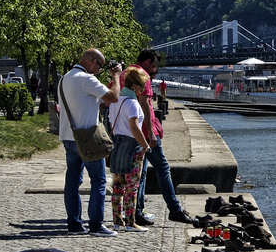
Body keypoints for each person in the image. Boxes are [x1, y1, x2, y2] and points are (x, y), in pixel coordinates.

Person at [125, 49, 192, 226]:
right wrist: (151, 133)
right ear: (147, 62)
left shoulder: (124, 73)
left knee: (141, 173)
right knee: (163, 168)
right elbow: (145, 106)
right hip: (144, 134)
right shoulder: (141, 76)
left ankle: (137, 211)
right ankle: (175, 210)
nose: (155, 68)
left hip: (128, 132)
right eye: (154, 64)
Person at [59, 48, 120, 236]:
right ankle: (96, 225)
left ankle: (75, 225)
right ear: (93, 62)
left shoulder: (65, 78)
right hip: (88, 140)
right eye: (100, 67)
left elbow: (84, 102)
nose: (99, 71)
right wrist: (116, 76)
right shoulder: (87, 79)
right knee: (99, 181)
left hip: (69, 137)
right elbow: (113, 97)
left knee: (72, 182)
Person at [110, 67, 151, 232]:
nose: (142, 91)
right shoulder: (133, 104)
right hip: (132, 147)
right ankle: (130, 222)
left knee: (118, 186)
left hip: (117, 145)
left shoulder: (116, 101)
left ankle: (117, 221)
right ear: (135, 87)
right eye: (142, 88)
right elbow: (134, 128)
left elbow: (112, 124)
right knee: (132, 187)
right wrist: (145, 145)